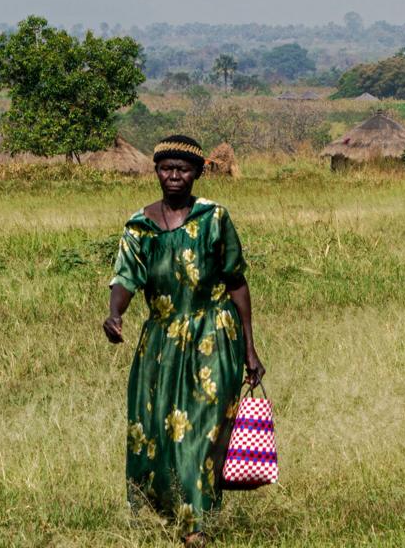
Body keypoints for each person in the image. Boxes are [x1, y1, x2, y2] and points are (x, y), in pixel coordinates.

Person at [103, 135, 265, 545]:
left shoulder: (214, 219)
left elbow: (237, 282)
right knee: (155, 429)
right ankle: (159, 514)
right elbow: (125, 278)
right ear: (155, 171)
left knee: (201, 430)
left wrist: (249, 347)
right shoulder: (138, 226)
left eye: (183, 169)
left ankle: (197, 525)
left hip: (213, 335)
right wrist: (115, 313)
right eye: (165, 168)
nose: (174, 175)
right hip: (159, 342)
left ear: (198, 173)